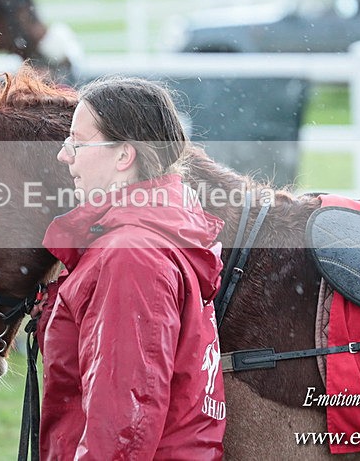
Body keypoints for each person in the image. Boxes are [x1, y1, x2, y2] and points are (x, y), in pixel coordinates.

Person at [37, 75, 227, 459]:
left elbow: (124, 426)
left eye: (78, 141)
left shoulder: (130, 255)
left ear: (124, 156)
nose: (64, 155)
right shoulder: (156, 233)